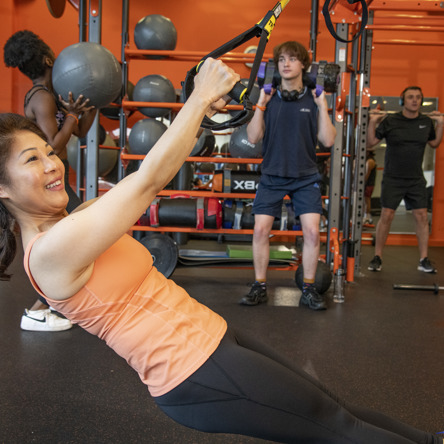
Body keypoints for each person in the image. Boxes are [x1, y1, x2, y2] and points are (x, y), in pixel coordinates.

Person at [0, 59, 442, 443]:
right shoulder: (49, 252)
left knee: (334, 411)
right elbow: (147, 182)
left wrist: (197, 114)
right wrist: (197, 98)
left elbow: (143, 177)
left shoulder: (75, 224)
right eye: (32, 160)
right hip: (194, 373)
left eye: (48, 152)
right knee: (336, 426)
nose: (53, 163)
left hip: (213, 337)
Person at [4, 30, 96, 330]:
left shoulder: (53, 95)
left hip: (56, 176)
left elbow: (80, 132)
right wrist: (70, 116)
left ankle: (56, 303)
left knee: (73, 236)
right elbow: (54, 146)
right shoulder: (42, 97)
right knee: (73, 235)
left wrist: (92, 104)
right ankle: (39, 310)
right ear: (48, 59)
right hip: (48, 180)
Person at [239, 41, 337, 310]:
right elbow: (252, 137)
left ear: (304, 65)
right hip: (272, 173)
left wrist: (323, 106)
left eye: (293, 59)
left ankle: (308, 289)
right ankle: (259, 287)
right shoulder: (269, 99)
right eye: (282, 59)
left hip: (305, 175)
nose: (286, 63)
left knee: (313, 233)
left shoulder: (313, 98)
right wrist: (260, 103)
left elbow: (328, 140)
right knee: (260, 230)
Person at [367, 86, 443, 273]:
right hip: (393, 178)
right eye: (410, 97)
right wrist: (372, 122)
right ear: (403, 101)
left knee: (422, 217)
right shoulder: (391, 120)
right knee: (386, 216)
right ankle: (377, 257)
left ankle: (423, 259)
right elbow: (371, 143)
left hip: (415, 179)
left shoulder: (426, 122)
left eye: (418, 97)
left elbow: (435, 143)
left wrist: (441, 124)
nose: (415, 100)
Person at [364, 150, 377, 225]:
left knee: (367, 200)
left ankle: (367, 217)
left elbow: (366, 175)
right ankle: (366, 217)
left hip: (368, 184)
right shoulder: (370, 161)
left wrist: (362, 184)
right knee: (365, 200)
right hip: (369, 184)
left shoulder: (370, 161)